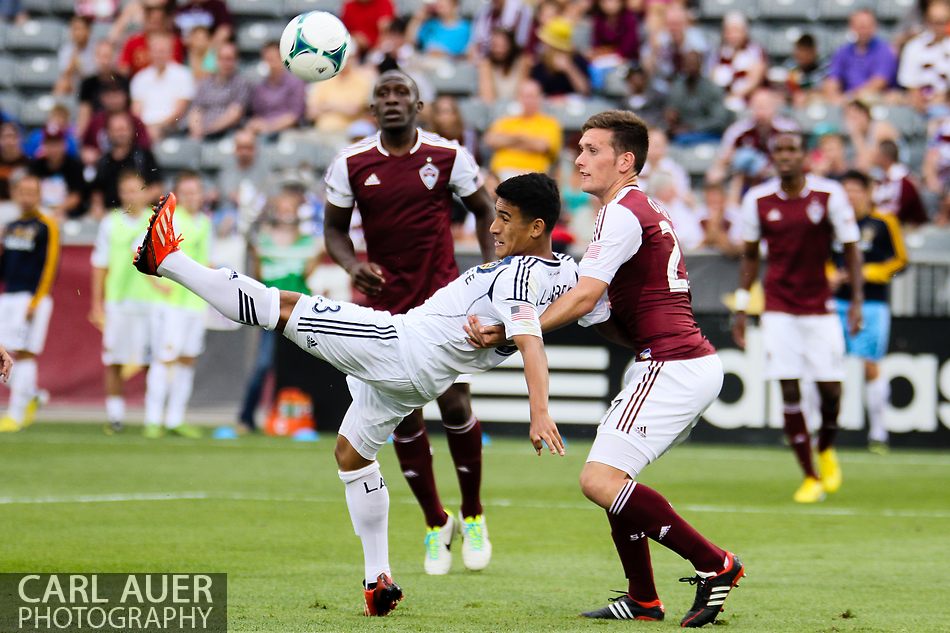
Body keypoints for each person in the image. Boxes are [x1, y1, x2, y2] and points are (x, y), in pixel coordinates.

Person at [133, 172, 575, 615]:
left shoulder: (519, 273)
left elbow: (529, 341)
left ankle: (167, 260)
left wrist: (540, 412)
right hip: (416, 378)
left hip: (400, 347)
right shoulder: (567, 274)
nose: (493, 228)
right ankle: (376, 581)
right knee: (352, 456)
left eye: (504, 218)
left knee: (283, 306)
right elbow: (573, 310)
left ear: (536, 227)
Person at [465, 110, 744, 628]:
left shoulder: (620, 213)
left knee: (598, 479)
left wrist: (511, 332)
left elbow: (586, 296)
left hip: (672, 362)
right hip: (675, 361)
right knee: (617, 478)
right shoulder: (634, 209)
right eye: (580, 148)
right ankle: (643, 600)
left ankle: (715, 563)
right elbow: (605, 313)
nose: (580, 158)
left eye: (593, 149)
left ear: (626, 160)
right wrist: (579, 308)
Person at [323, 70, 498, 576]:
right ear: (372, 108)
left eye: (402, 93)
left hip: (443, 301)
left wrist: (488, 279)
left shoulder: (448, 156)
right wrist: (354, 265)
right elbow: (334, 231)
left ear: (418, 105)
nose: (393, 100)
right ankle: (434, 521)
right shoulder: (351, 164)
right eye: (383, 94)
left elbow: (486, 211)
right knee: (401, 414)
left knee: (455, 400)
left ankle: (474, 513)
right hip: (385, 307)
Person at [733, 132, 863, 503]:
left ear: (805, 155)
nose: (786, 156)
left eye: (792, 150)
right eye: (779, 151)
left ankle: (826, 448)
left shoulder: (828, 196)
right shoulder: (757, 200)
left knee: (830, 390)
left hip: (820, 307)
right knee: (788, 387)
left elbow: (851, 249)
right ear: (773, 158)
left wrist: (855, 301)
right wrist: (743, 307)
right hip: (778, 308)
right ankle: (809, 475)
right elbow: (750, 257)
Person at [832, 170, 908, 454]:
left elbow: (900, 260)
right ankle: (819, 429)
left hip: (872, 302)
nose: (851, 195)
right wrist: (832, 275)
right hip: (835, 301)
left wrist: (867, 273)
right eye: (846, 190)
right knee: (825, 364)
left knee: (869, 364)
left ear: (867, 192)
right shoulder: (835, 222)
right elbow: (825, 258)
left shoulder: (883, 223)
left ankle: (878, 432)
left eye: (856, 189)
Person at [237, 191, 321, 434]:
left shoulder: (308, 243)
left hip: (301, 313)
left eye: (290, 207)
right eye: (282, 207)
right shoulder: (263, 241)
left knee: (307, 367)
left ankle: (308, 419)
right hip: (271, 314)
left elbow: (306, 275)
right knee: (263, 365)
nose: (286, 212)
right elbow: (260, 278)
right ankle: (246, 418)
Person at [89, 170, 159, 434]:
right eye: (126, 190)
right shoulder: (110, 223)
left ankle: (152, 416)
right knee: (115, 358)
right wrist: (96, 302)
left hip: (151, 301)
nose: (131, 196)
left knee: (151, 360)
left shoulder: (155, 222)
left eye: (136, 190)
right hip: (118, 302)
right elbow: (99, 265)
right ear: (120, 194)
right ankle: (115, 416)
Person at [143, 171, 210, 439]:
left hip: (195, 304)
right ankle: (152, 418)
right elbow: (142, 253)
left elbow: (207, 260)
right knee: (165, 358)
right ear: (179, 195)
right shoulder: (167, 220)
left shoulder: (206, 223)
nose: (194, 197)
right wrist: (157, 284)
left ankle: (175, 418)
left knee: (186, 360)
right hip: (171, 304)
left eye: (197, 192)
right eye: (188, 192)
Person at [0, 173, 60, 432]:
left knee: (24, 354)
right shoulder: (11, 226)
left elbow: (50, 264)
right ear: (15, 194)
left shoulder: (47, 225)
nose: (26, 197)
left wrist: (37, 299)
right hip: (9, 295)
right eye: (21, 192)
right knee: (3, 354)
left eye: (31, 192)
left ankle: (16, 413)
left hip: (31, 297)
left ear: (39, 195)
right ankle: (32, 394)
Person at [484, 80, 562, 181]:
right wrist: (525, 140)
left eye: (532, 96)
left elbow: (542, 146)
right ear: (518, 98)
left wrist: (508, 141)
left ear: (540, 98)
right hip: (500, 173)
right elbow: (491, 140)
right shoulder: (506, 120)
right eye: (524, 96)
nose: (528, 100)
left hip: (533, 175)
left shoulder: (550, 123)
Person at [89, 111, 162, 218]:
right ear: (108, 132)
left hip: (141, 216)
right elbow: (97, 191)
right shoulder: (103, 161)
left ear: (131, 130)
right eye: (116, 130)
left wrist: (132, 204)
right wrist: (98, 208)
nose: (120, 133)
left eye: (123, 129)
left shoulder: (144, 156)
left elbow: (157, 188)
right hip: (111, 218)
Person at [130, 32, 196, 141]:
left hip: (173, 128)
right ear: (149, 52)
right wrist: (145, 128)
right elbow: (136, 111)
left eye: (162, 51)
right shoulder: (139, 78)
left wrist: (156, 127)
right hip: (145, 129)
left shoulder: (184, 75)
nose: (158, 55)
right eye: (155, 51)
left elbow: (179, 112)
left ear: (170, 52)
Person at [823, 9, 898, 104]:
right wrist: (833, 96)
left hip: (875, 99)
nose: (863, 31)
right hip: (847, 100)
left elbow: (879, 83)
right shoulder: (843, 51)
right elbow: (833, 79)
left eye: (867, 26)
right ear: (852, 27)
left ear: (875, 27)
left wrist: (851, 98)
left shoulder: (884, 51)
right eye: (860, 26)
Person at [664, 49, 733, 144]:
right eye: (687, 64)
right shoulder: (677, 87)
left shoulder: (712, 89)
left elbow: (719, 121)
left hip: (707, 133)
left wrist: (691, 127)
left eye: (693, 63)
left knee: (681, 140)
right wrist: (671, 117)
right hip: (681, 132)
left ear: (700, 65)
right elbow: (671, 111)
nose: (690, 67)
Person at [186, 42, 250, 141]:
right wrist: (196, 129)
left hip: (227, 134)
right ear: (216, 60)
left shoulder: (241, 83)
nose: (225, 63)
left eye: (229, 59)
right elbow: (195, 110)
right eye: (222, 58)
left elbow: (235, 114)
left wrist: (208, 130)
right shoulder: (205, 83)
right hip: (201, 133)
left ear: (236, 61)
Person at [245, 42, 307, 139]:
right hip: (263, 131)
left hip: (288, 132)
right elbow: (257, 113)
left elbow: (294, 116)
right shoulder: (259, 85)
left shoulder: (295, 82)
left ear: (281, 59)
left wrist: (269, 127)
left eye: (271, 59)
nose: (268, 64)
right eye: (265, 59)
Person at [898, 0, 950, 114]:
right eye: (936, 22)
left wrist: (944, 98)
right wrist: (920, 101)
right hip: (919, 106)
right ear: (928, 21)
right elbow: (909, 83)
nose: (939, 27)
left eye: (943, 22)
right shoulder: (914, 47)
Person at [708, 12, 766, 112]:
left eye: (737, 31)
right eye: (729, 31)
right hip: (721, 101)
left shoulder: (755, 51)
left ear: (745, 31)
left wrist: (734, 95)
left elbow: (755, 80)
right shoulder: (718, 52)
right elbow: (711, 76)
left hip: (746, 102)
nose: (733, 35)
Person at [29, 123, 87, 220]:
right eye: (50, 144)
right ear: (44, 145)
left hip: (68, 214)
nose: (53, 149)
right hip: (40, 210)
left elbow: (76, 196)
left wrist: (58, 210)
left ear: (64, 145)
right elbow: (31, 191)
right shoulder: (35, 166)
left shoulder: (75, 165)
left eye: (56, 144)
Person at [871, 139, 929, 226]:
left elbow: (902, 211)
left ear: (885, 157)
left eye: (876, 154)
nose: (872, 157)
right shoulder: (882, 179)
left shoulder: (905, 182)